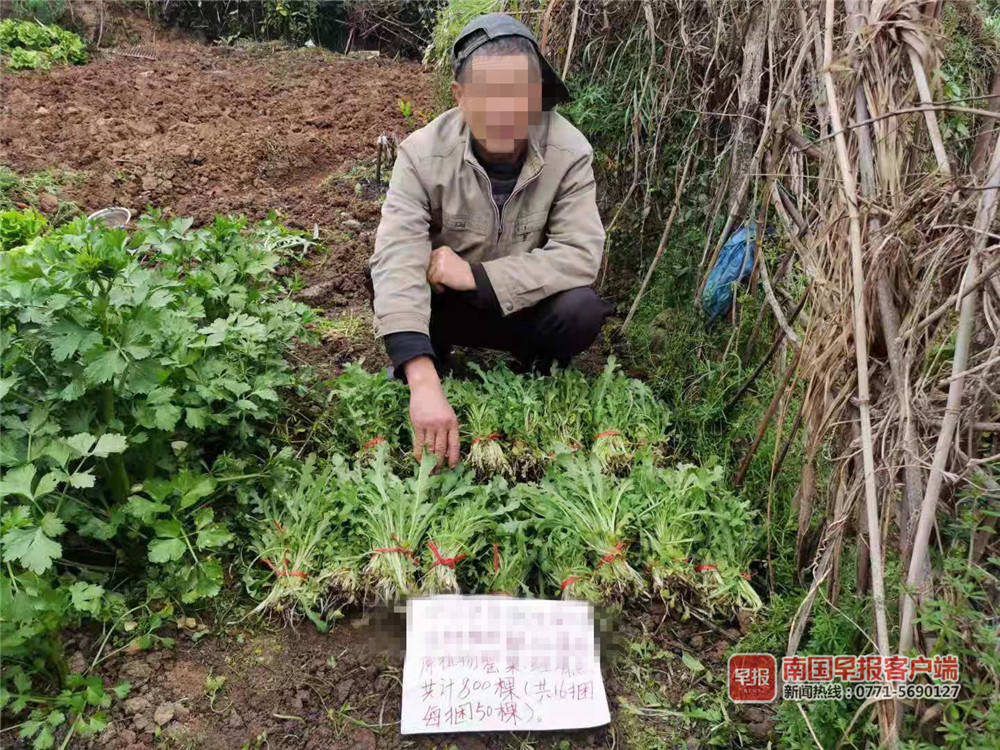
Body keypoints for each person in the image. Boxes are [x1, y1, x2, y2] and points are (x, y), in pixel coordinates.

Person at [367, 12, 613, 469]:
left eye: (518, 95)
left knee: (581, 308)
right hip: (451, 309)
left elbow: (580, 253)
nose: (503, 113)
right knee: (384, 274)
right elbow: (397, 256)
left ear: (537, 95)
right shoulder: (422, 154)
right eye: (487, 95)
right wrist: (421, 380)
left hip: (523, 310)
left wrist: (478, 276)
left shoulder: (569, 151)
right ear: (459, 96)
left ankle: (536, 363)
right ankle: (432, 358)